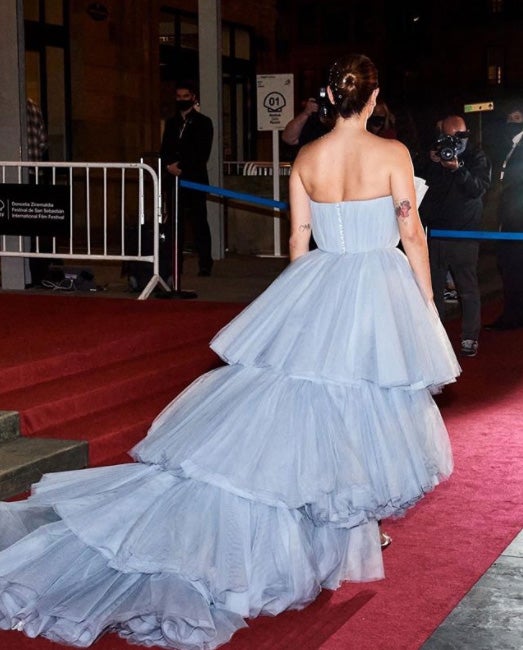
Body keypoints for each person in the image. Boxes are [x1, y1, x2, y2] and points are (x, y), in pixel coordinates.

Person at [0, 54, 459, 650]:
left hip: (318, 285)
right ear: (371, 100)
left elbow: (297, 239)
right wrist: (424, 302)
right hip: (376, 289)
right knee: (360, 405)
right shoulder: (393, 153)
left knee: (310, 409)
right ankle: (341, 518)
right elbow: (412, 232)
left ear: (328, 99)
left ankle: (335, 524)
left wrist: (301, 309)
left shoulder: (307, 158)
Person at [416, 115, 492, 357]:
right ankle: (437, 341)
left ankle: (470, 338)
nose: (456, 143)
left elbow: (478, 189)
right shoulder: (436, 155)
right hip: (436, 233)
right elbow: (420, 185)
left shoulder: (477, 157)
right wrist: (431, 161)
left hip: (464, 235)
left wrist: (458, 169)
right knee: (433, 291)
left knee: (467, 289)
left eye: (461, 137)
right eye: (451, 138)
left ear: (467, 133)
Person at [160, 81, 214, 277]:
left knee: (199, 222)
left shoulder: (203, 122)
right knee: (175, 224)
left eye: (185, 96)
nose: (181, 100)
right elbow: (164, 149)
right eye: (178, 96)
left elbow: (201, 152)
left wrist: (181, 167)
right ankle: (176, 264)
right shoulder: (171, 122)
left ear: (192, 97)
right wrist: (168, 166)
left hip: (194, 179)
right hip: (173, 181)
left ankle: (205, 263)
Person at [485, 106, 523, 330]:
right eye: (509, 117)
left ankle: (513, 316)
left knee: (512, 269)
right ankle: (514, 314)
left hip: (517, 223)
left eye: (516, 117)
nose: (511, 122)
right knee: (510, 269)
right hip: (509, 220)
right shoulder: (509, 147)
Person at [26, 98, 52, 287]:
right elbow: (43, 143)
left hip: (13, 175)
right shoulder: (34, 106)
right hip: (35, 173)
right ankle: (38, 271)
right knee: (35, 225)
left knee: (16, 226)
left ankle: (25, 272)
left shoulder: (9, 107)